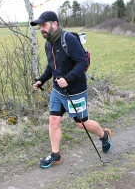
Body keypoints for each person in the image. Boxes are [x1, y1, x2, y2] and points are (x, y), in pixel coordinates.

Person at [31, 11, 112, 169]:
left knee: (81, 123)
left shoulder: (68, 39)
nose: (41, 29)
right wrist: (41, 79)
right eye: (40, 26)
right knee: (54, 121)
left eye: (44, 25)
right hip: (57, 91)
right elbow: (51, 66)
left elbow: (81, 63)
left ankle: (104, 135)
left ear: (55, 24)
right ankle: (55, 155)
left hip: (75, 91)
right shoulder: (49, 42)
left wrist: (68, 78)